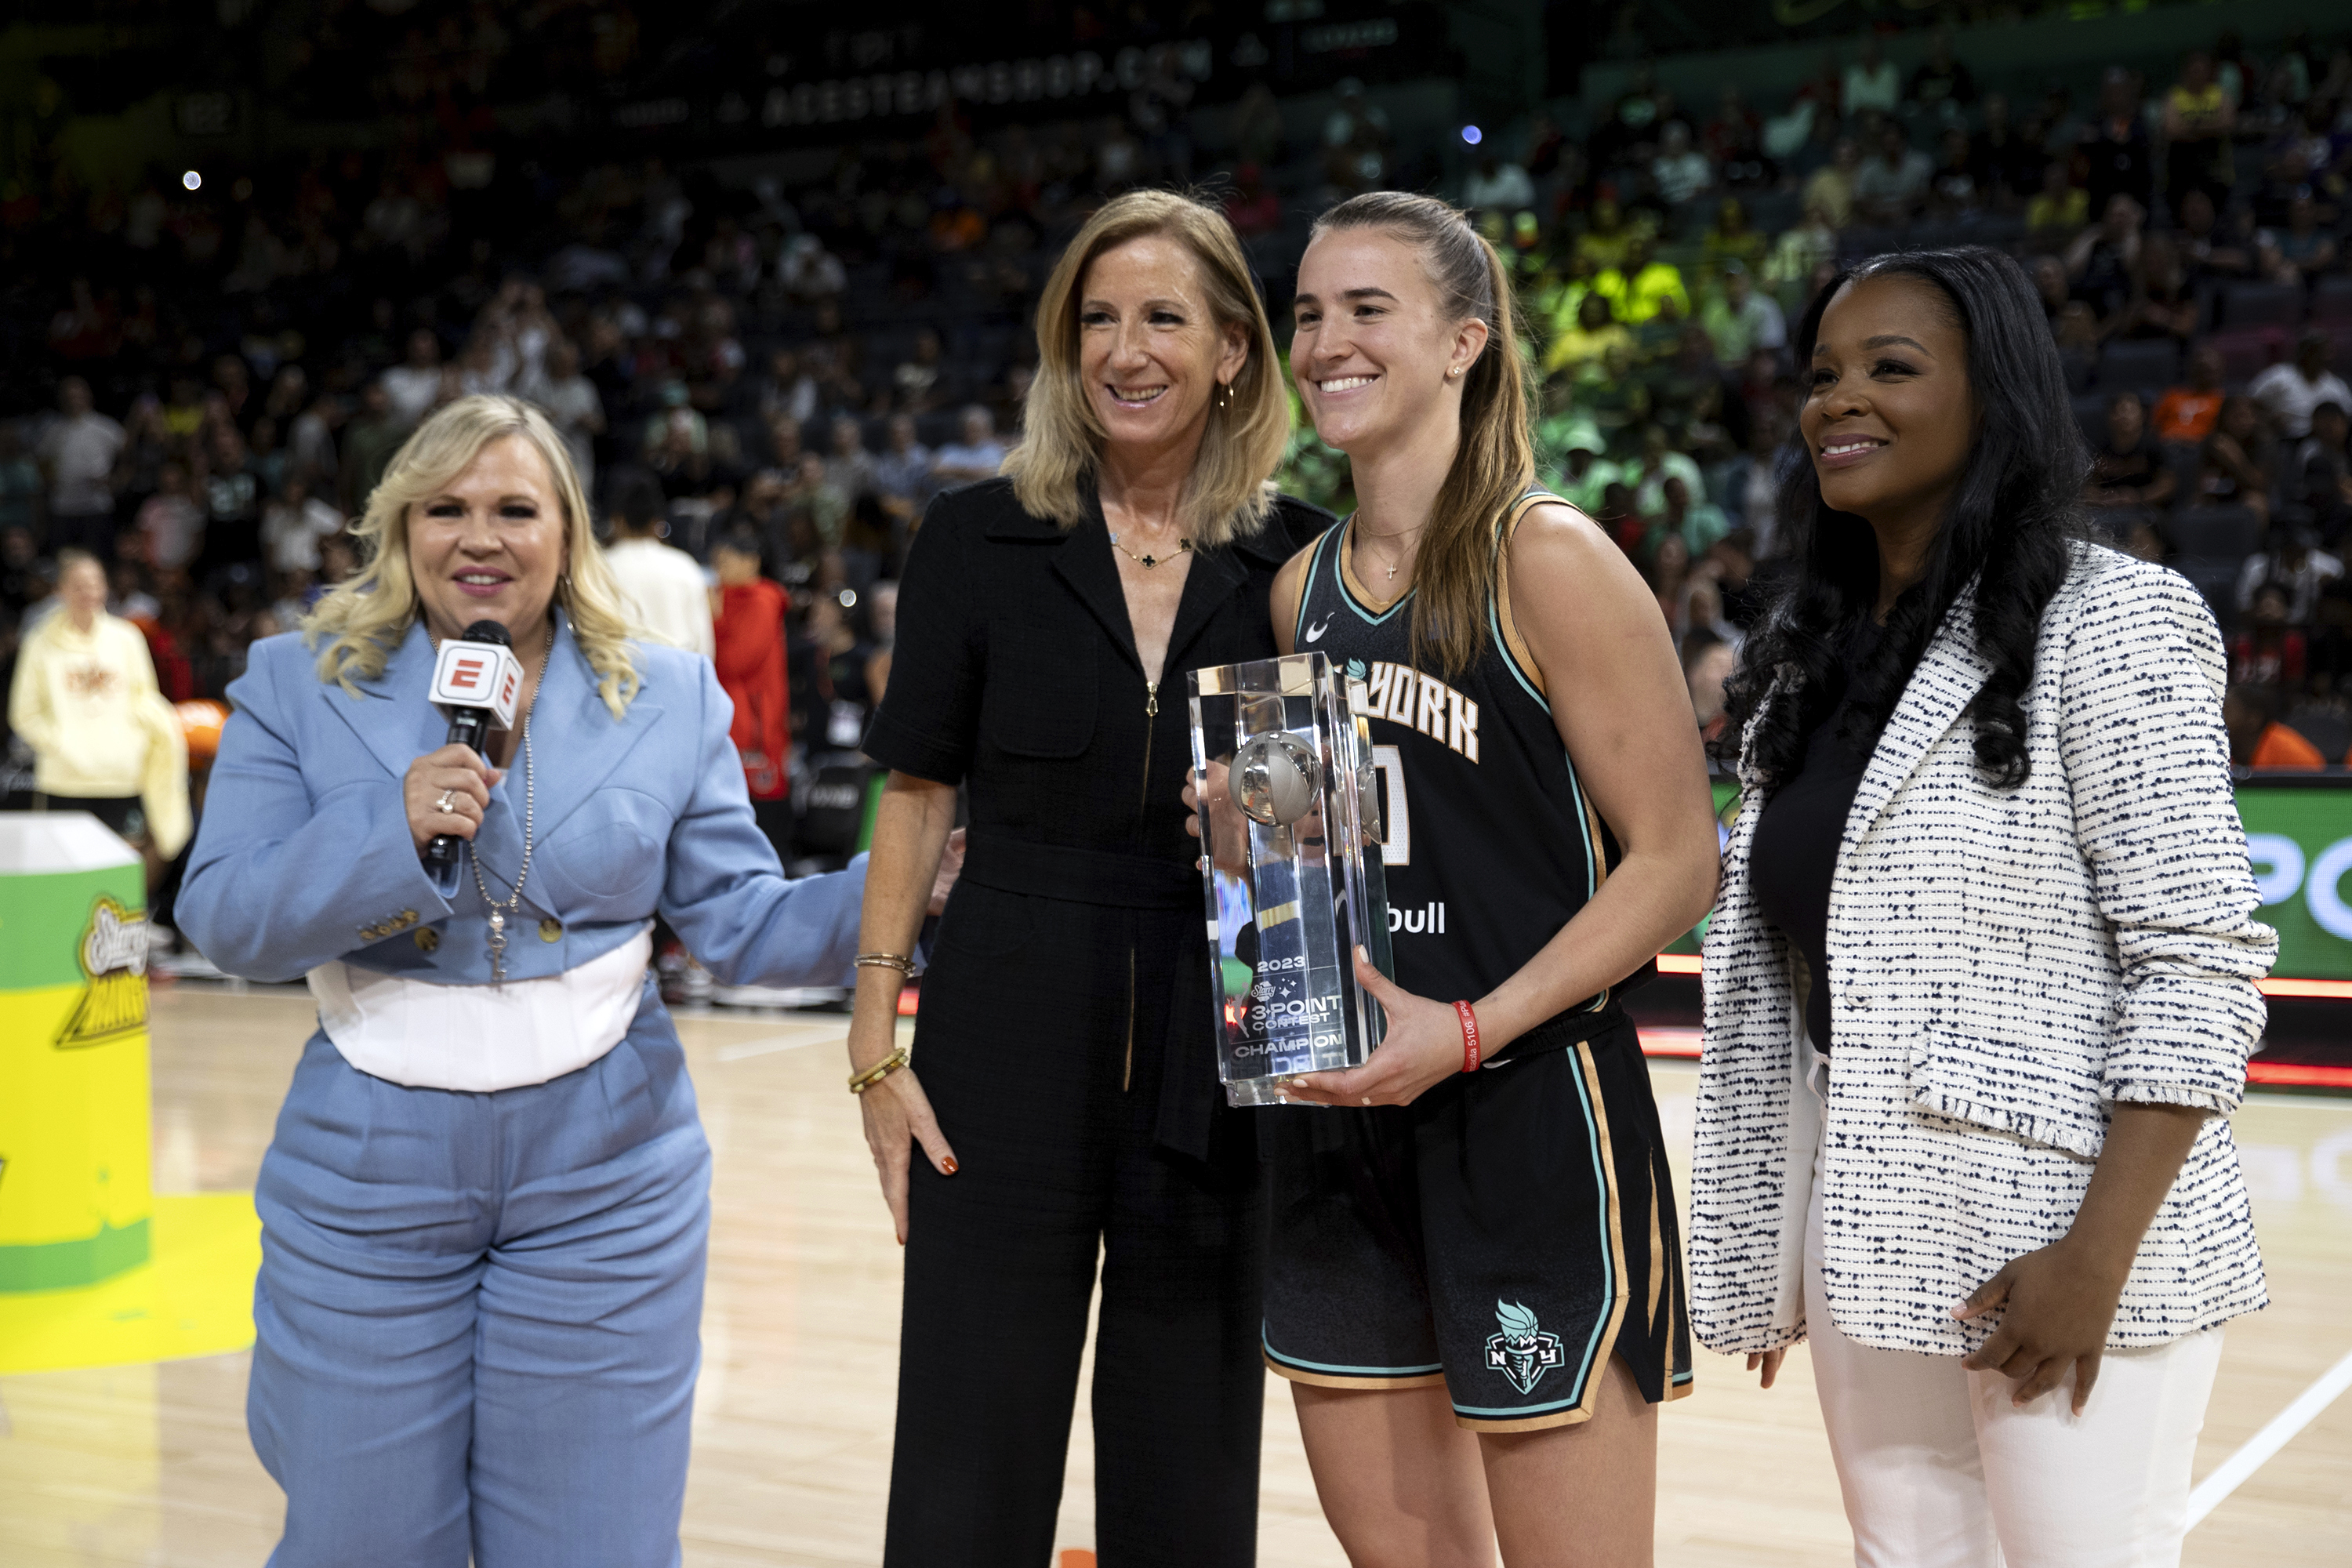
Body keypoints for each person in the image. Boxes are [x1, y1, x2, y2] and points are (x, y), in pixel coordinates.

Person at [171, 395, 895, 1566]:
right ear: (399, 526)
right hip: (363, 1180)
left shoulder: (667, 695)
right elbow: (224, 919)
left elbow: (744, 927)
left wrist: (916, 885)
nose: (480, 537)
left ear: (568, 530)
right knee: (363, 1543)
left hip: (610, 1182)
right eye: (445, 508)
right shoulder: (292, 683)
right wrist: (387, 829)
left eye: (516, 508)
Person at [1693, 247, 2275, 1567]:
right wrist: (1775, 1243)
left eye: (1892, 368)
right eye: (1825, 373)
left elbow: (2198, 962)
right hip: (1868, 1231)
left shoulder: (2114, 619)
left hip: (2072, 1242)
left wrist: (2096, 1255)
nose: (1843, 399)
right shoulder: (1804, 664)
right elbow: (1790, 989)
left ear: (1990, 397)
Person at [1218, 190, 1717, 1566]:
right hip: (1341, 1123)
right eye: (1309, 313)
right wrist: (1239, 842)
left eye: (1368, 310)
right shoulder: (1296, 591)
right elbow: (1304, 874)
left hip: (1527, 1109)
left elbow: (1681, 862)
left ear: (1464, 343)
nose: (1325, 342)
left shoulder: (1545, 558)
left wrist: (1476, 1024)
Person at [847, 189, 1326, 1567]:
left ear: (1233, 350)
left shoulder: (1299, 555)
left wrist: (1293, 1054)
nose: (1126, 349)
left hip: (1216, 1033)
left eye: (1164, 318)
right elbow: (921, 791)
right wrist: (879, 1046)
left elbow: (1293, 858)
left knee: (1190, 1459)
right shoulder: (976, 535)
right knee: (964, 1454)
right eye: (1097, 320)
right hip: (1003, 1023)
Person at [8, 549, 190, 862]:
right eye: (77, 585)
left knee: (121, 871)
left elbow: (145, 702)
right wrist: (61, 743)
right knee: (63, 871)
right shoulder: (40, 642)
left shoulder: (127, 637)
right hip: (64, 780)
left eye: (94, 583)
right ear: (60, 590)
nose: (87, 592)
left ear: (105, 588)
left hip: (120, 776)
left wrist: (131, 745)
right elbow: (23, 714)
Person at [710, 525, 793, 866]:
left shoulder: (761, 599)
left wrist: (713, 620)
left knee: (759, 817)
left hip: (755, 725)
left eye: (726, 562)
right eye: (717, 563)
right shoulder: (727, 596)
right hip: (737, 719)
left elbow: (734, 661)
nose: (720, 571)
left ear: (751, 562)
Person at [602, 466, 714, 657]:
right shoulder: (684, 566)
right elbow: (703, 646)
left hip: (618, 677)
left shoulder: (600, 566)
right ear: (657, 523)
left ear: (616, 521)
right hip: (678, 676)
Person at [37, 376, 125, 559]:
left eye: (78, 395)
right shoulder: (54, 430)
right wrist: (49, 480)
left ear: (89, 396)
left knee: (97, 559)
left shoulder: (105, 427)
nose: (74, 400)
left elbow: (128, 457)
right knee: (64, 559)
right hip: (63, 506)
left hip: (96, 505)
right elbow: (41, 459)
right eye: (69, 396)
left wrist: (117, 481)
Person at [2249, 328, 2352, 442]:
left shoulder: (2336, 386)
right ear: (2303, 352)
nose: (2321, 357)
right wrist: (2267, 419)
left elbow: (2346, 418)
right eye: (2314, 351)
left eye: (2325, 352)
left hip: (2321, 443)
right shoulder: (2279, 376)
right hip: (2283, 439)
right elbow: (2249, 403)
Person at [2153, 343, 2227, 445]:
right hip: (2167, 446)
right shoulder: (2172, 395)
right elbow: (2154, 427)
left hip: (2201, 449)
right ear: (2191, 369)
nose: (2205, 374)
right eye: (2201, 368)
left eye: (2209, 370)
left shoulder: (2224, 401)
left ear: (2220, 371)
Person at [928, 404, 1007, 488]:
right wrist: (971, 473)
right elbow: (935, 471)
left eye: (975, 429)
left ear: (987, 430)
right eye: (967, 428)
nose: (970, 433)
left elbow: (990, 474)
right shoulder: (950, 449)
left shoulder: (995, 451)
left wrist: (953, 471)